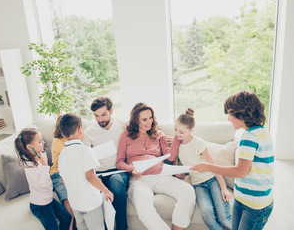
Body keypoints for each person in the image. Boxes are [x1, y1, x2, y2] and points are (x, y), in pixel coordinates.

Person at [191, 90, 274, 230]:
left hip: (254, 204)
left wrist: (208, 167)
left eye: (230, 114)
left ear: (242, 113)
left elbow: (240, 171)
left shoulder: (250, 137)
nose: (229, 118)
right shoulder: (261, 132)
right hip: (244, 198)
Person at [116, 102, 195, 230]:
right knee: (145, 209)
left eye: (151, 117)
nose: (149, 122)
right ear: (136, 120)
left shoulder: (159, 134)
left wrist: (176, 138)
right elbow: (119, 162)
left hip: (161, 176)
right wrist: (132, 169)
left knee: (188, 191)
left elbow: (170, 156)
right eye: (145, 119)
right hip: (139, 180)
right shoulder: (125, 136)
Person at [171, 108, 232, 230]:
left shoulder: (198, 143)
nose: (177, 134)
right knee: (208, 215)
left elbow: (214, 165)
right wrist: (177, 171)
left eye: (181, 132)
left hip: (212, 179)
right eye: (175, 130)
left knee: (223, 217)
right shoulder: (177, 143)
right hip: (198, 184)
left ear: (191, 130)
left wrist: (224, 188)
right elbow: (175, 162)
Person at [58, 113, 114, 230]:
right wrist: (106, 190)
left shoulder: (62, 154)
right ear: (80, 130)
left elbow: (63, 178)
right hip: (90, 203)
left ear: (63, 134)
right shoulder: (85, 150)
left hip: (75, 202)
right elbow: (91, 176)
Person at [83, 97, 129, 230]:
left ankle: (121, 227)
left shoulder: (123, 125)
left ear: (111, 111)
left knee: (116, 181)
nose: (100, 119)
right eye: (96, 116)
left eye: (103, 114)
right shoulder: (89, 132)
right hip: (99, 173)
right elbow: (85, 158)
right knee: (96, 192)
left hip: (118, 171)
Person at [14, 128, 72, 230]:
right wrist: (45, 165)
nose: (43, 142)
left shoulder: (39, 155)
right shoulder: (29, 166)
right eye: (40, 141)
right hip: (40, 205)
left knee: (67, 218)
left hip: (48, 200)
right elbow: (42, 185)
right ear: (29, 147)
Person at [50, 115, 75, 230]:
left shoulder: (71, 138)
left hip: (70, 173)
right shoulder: (58, 142)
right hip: (57, 174)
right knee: (66, 198)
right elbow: (67, 161)